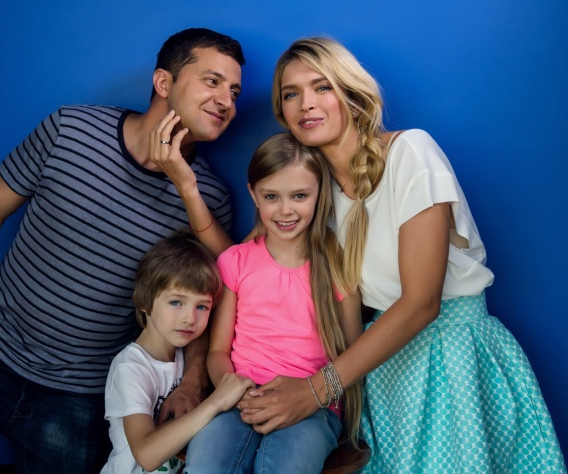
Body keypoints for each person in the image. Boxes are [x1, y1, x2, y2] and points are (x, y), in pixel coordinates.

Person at [236, 37, 567, 473]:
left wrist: (316, 390)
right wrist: (186, 186)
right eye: (291, 94)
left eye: (322, 87)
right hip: (379, 371)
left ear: (351, 95)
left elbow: (422, 303)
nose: (306, 104)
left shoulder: (411, 152)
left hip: (451, 362)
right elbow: (243, 262)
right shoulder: (311, 193)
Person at [0, 27, 244, 473]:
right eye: (212, 81)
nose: (226, 101)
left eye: (234, 92)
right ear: (163, 82)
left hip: (80, 396)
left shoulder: (208, 200)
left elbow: (207, 299)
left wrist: (192, 383)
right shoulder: (71, 129)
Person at [184, 132, 362, 473]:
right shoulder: (235, 262)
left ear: (320, 194)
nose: (285, 210)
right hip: (238, 400)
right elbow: (218, 351)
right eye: (271, 196)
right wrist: (233, 391)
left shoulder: (339, 269)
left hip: (313, 407)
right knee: (206, 460)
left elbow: (353, 357)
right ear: (253, 194)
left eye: (300, 196)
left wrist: (320, 395)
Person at [101, 230, 254, 474]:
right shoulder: (131, 368)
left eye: (201, 306)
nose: (189, 318)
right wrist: (216, 401)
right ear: (144, 300)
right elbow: (146, 455)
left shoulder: (186, 360)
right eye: (176, 302)